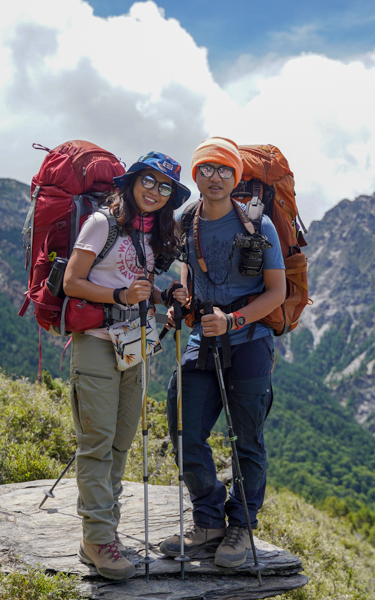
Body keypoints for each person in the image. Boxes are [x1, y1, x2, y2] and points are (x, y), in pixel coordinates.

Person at [62, 151, 190, 581]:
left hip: (134, 344)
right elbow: (72, 282)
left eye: (164, 186)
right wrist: (119, 299)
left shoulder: (152, 233)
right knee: (97, 441)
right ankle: (99, 539)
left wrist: (162, 296)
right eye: (148, 182)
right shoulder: (101, 224)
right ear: (132, 182)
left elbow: (137, 283)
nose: (154, 191)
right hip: (98, 342)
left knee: (120, 440)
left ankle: (103, 529)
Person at [159, 137, 285, 568]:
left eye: (224, 170)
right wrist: (182, 301)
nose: (215, 177)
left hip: (248, 343)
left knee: (246, 439)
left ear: (236, 177)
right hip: (201, 340)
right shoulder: (185, 221)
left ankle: (241, 527)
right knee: (183, 429)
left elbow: (276, 292)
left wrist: (233, 321)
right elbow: (188, 269)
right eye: (207, 169)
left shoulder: (257, 224)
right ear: (195, 175)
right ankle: (208, 518)